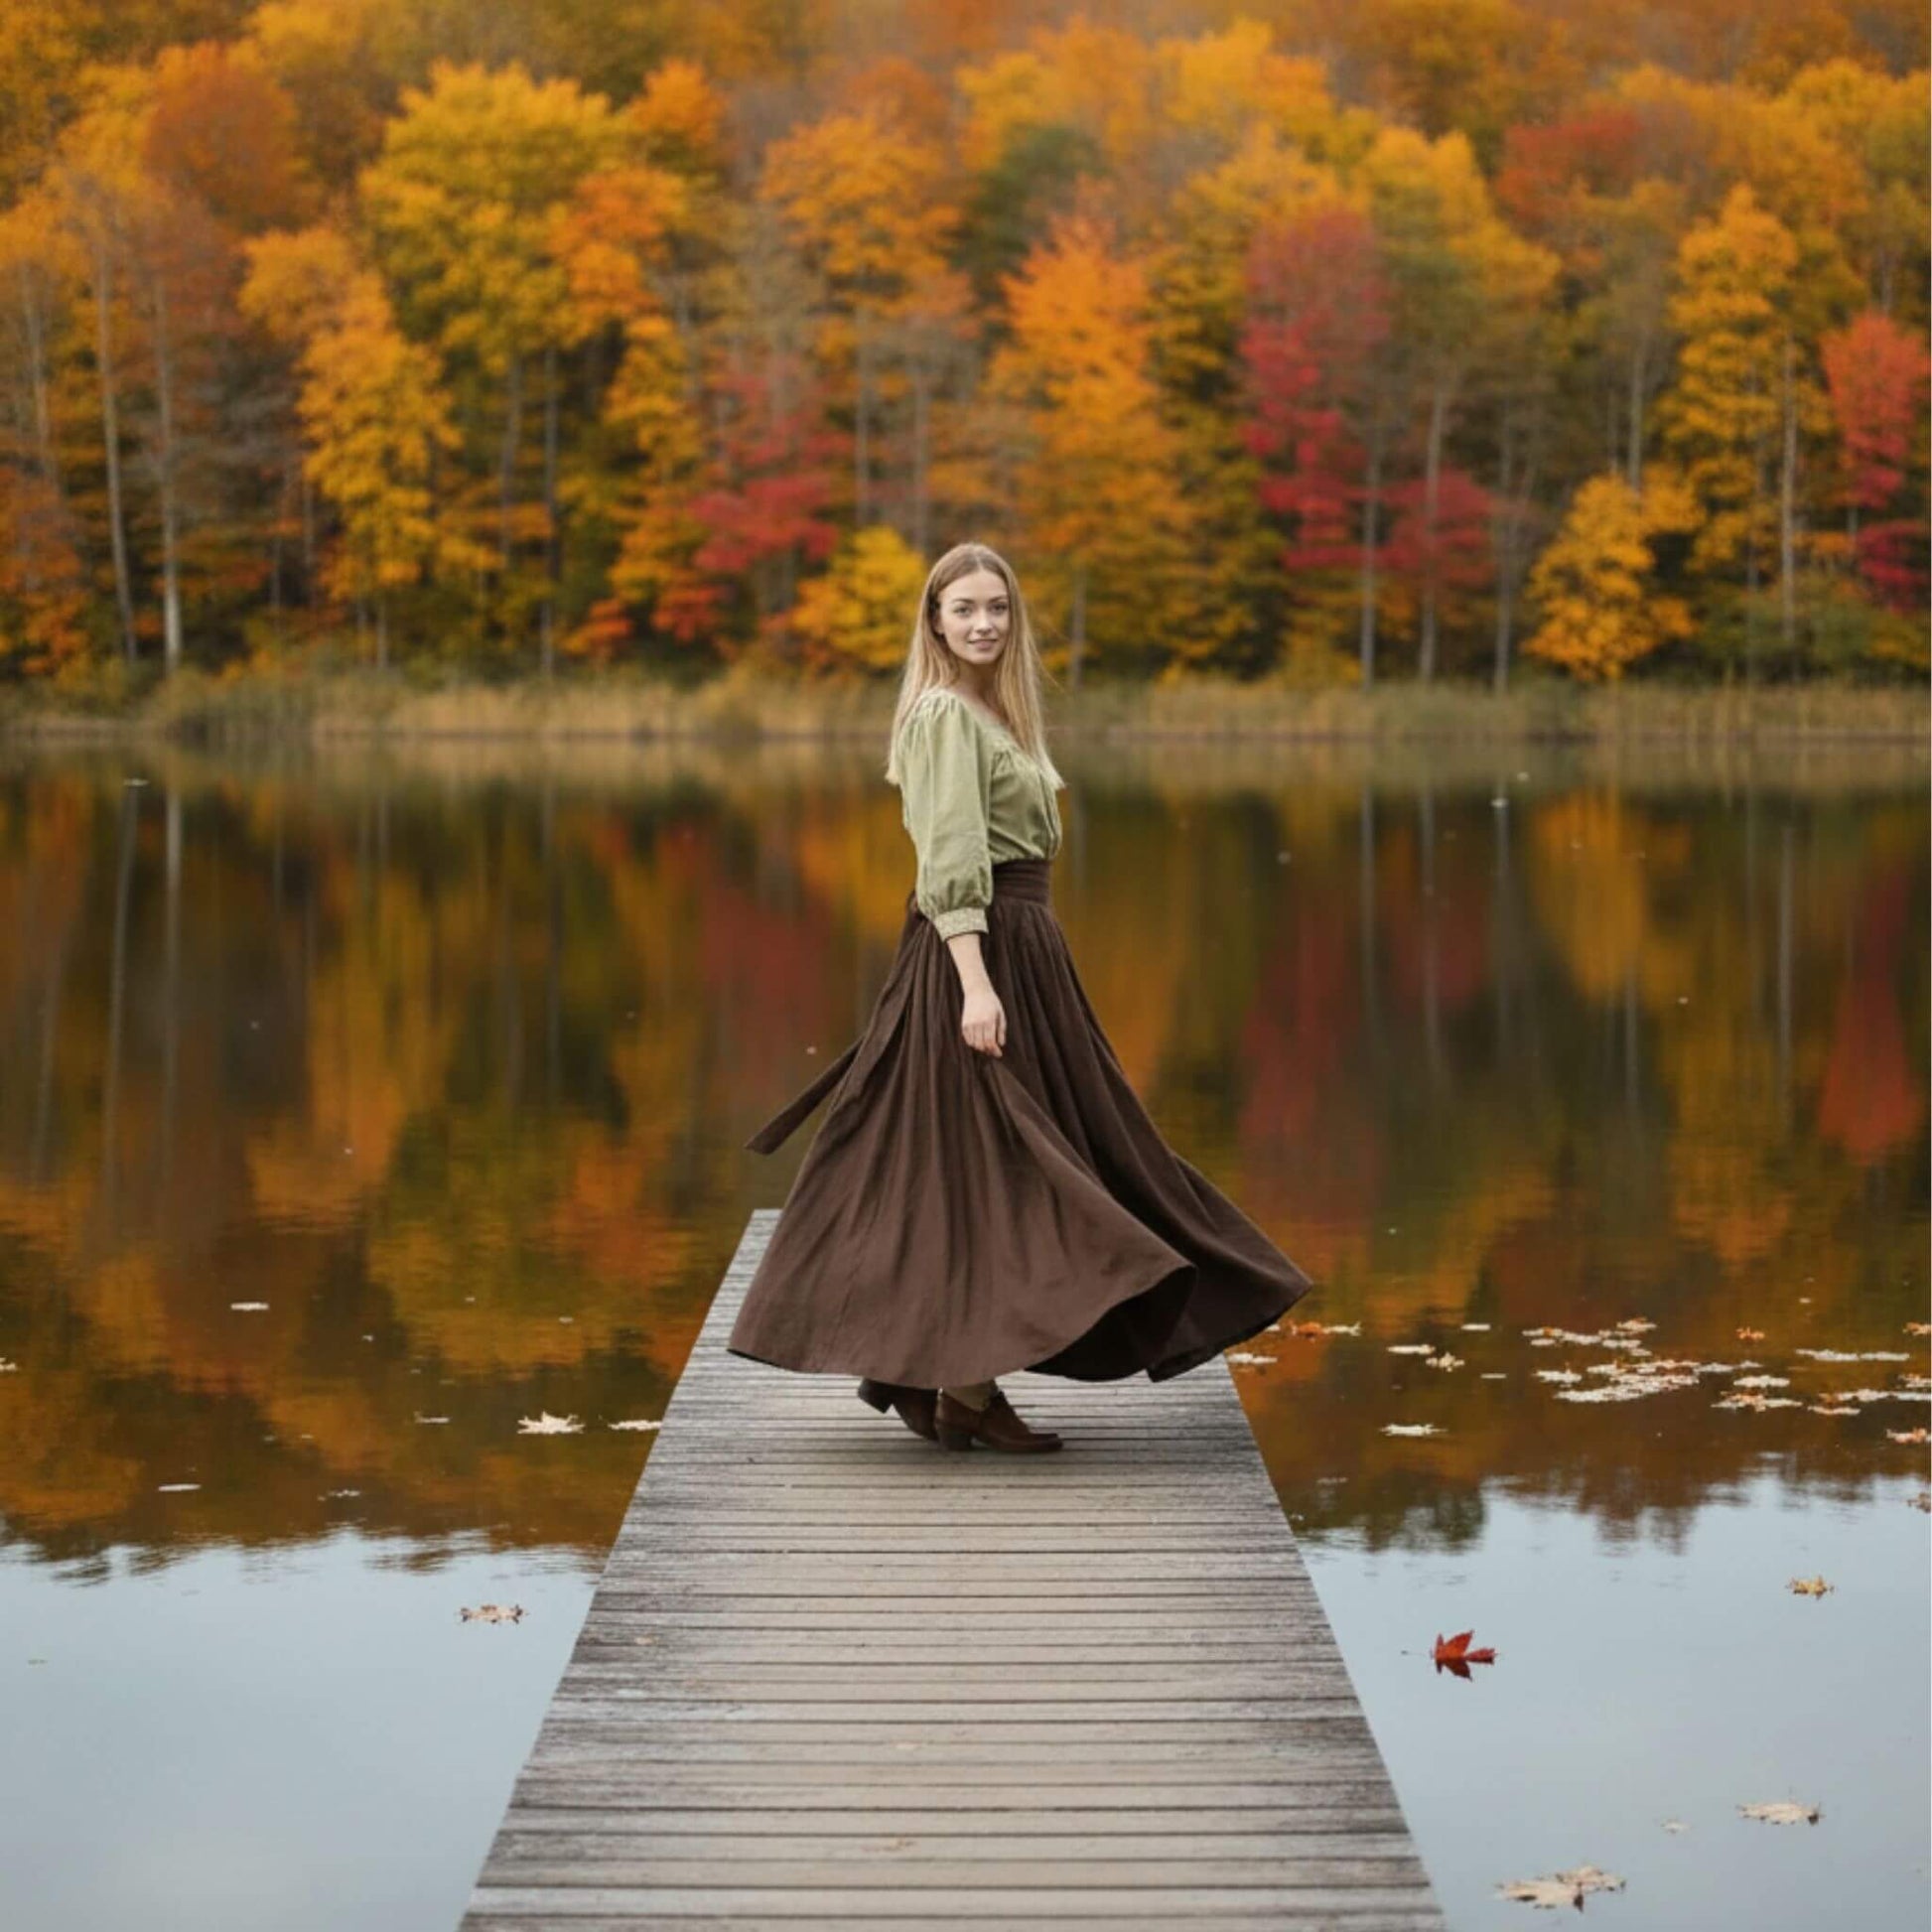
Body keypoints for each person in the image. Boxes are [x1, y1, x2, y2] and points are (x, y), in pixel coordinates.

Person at [729, 540, 1314, 1451]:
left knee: (1031, 1159)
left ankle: (952, 1384)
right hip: (979, 954)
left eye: (997, 607)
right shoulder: (942, 718)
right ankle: (960, 1389)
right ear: (934, 620)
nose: (983, 623)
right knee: (989, 1165)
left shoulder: (992, 715)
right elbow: (951, 858)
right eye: (963, 608)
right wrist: (974, 985)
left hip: (1025, 953)